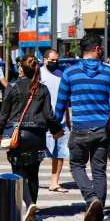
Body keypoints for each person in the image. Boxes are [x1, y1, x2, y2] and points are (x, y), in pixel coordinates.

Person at [55, 35, 110, 221]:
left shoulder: (70, 73)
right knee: (99, 171)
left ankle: (91, 199)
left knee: (76, 166)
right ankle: (98, 211)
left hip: (80, 129)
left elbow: (60, 104)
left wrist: (55, 126)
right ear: (98, 49)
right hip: (103, 130)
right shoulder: (108, 73)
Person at [0, 54, 63, 221]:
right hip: (38, 136)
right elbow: (49, 115)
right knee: (33, 174)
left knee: (19, 172)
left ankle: (29, 204)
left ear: (21, 69)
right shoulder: (42, 89)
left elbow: (4, 114)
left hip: (18, 135)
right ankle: (32, 206)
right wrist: (57, 130)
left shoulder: (12, 87)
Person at [41, 49, 70, 193]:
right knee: (38, 152)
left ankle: (54, 182)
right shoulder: (39, 74)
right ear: (44, 60)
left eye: (57, 60)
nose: (54, 63)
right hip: (42, 120)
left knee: (60, 152)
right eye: (52, 60)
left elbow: (66, 100)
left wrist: (69, 121)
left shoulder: (62, 75)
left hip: (60, 120)